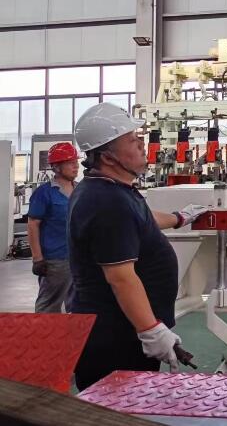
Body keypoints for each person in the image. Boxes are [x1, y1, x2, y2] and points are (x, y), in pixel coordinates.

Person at [68, 103, 208, 390]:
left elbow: (143, 219)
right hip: (116, 338)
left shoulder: (113, 189)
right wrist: (150, 330)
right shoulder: (107, 201)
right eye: (132, 141)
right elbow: (121, 277)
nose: (143, 145)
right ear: (108, 157)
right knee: (115, 408)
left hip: (124, 330)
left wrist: (180, 218)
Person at [27, 142, 79, 313]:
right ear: (56, 167)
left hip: (78, 258)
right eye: (70, 162)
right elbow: (33, 224)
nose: (76, 166)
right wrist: (37, 258)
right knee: (48, 306)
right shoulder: (44, 193)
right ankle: (43, 331)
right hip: (55, 260)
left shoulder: (80, 189)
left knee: (78, 305)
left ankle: (72, 330)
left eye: (76, 162)